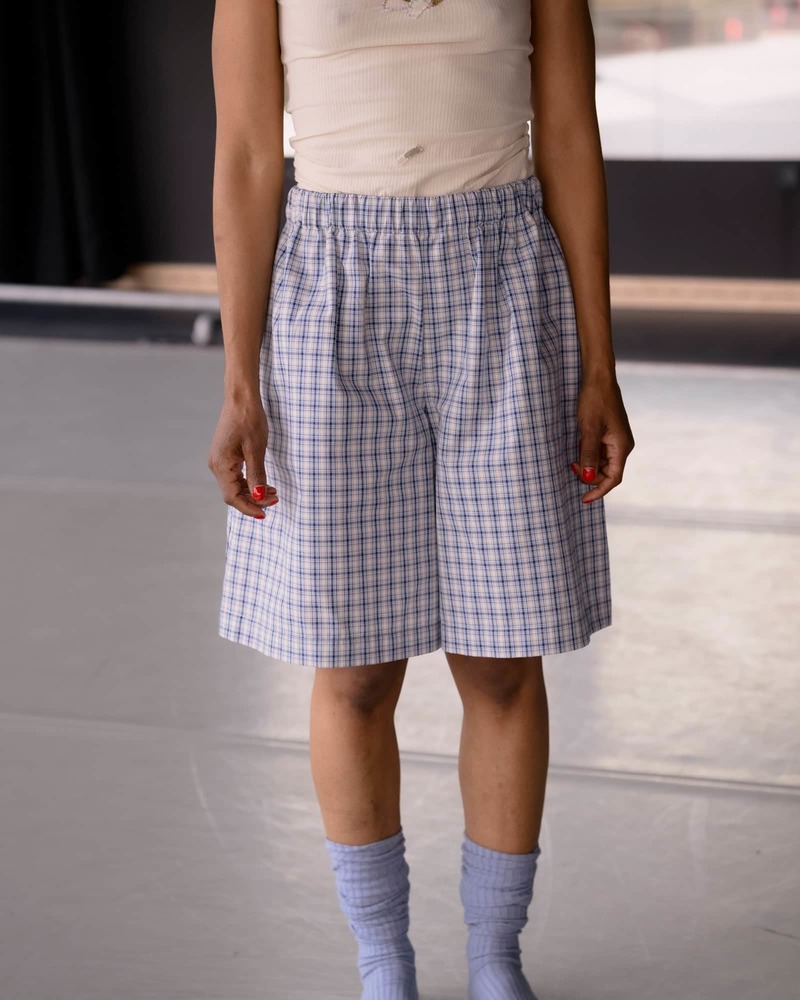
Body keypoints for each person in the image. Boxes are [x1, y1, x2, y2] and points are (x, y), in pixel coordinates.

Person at [207, 1, 635, 997]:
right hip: (330, 284)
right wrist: (238, 379)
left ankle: (494, 958)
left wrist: (598, 364)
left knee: (502, 660)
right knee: (354, 666)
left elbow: (570, 139)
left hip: (503, 275)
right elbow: (246, 154)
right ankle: (383, 961)